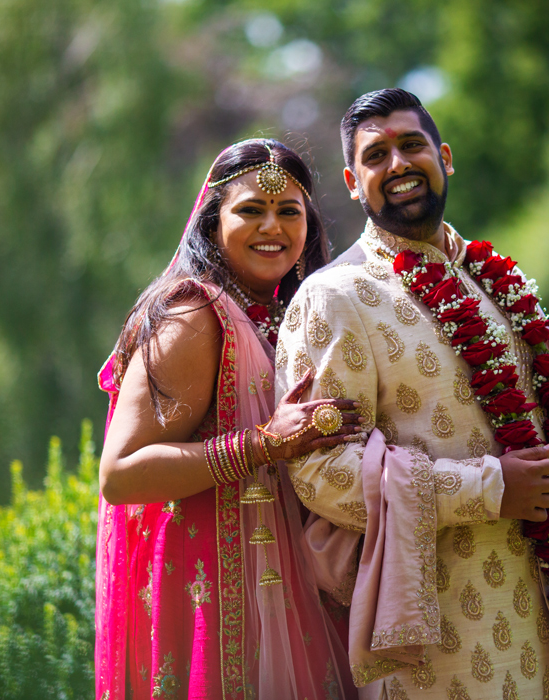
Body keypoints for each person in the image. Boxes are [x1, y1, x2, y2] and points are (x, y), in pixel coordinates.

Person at [275, 90, 549, 699]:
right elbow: (319, 471)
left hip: (533, 612)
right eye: (376, 156)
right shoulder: (335, 298)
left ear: (445, 157)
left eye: (412, 146)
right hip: (428, 632)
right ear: (355, 184)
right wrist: (490, 488)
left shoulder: (499, 283)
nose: (399, 165)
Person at [94, 138, 362, 700]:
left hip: (290, 591)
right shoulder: (195, 313)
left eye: (289, 212)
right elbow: (120, 474)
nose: (273, 225)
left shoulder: (288, 317)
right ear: (212, 221)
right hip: (211, 593)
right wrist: (262, 445)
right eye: (250, 210)